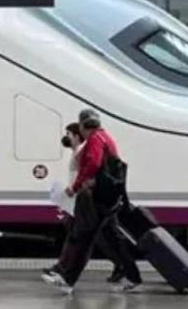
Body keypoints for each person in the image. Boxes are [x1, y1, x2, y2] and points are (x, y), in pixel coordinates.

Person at [42, 115, 142, 294]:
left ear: (82, 127)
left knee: (83, 237)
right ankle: (133, 277)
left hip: (97, 199)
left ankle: (67, 280)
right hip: (109, 198)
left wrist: (76, 186)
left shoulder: (94, 139)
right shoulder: (106, 137)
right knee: (113, 239)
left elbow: (93, 164)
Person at [44, 122, 85, 279]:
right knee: (75, 236)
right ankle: (61, 267)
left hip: (79, 200)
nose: (65, 137)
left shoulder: (80, 152)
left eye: (68, 134)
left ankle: (63, 270)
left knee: (77, 237)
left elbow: (84, 174)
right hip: (75, 200)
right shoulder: (77, 151)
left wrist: (73, 188)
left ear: (76, 136)